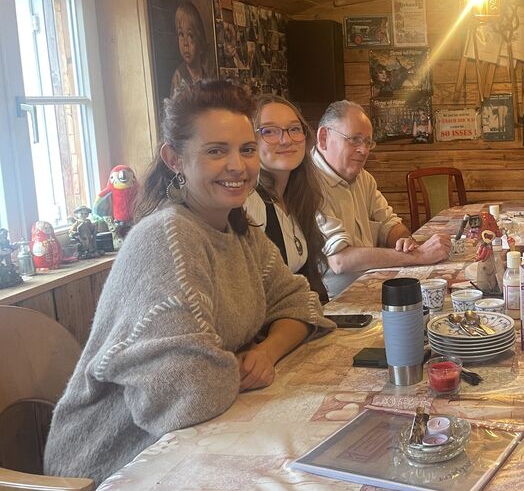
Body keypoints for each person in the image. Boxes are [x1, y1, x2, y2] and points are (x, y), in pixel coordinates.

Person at [44, 81, 334, 484]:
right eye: (217, 151)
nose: (238, 165)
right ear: (174, 158)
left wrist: (266, 352)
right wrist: (231, 365)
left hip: (198, 437)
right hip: (115, 463)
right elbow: (189, 392)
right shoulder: (167, 238)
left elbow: (300, 302)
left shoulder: (239, 231)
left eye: (247, 150)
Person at [312, 100, 450, 295]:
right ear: (324, 137)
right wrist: (418, 256)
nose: (364, 150)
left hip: (372, 284)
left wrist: (405, 242)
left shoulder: (363, 178)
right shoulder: (309, 183)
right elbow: (341, 260)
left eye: (368, 142)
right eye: (354, 139)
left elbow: (389, 224)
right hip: (337, 303)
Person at [243, 95, 329, 302]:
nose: (286, 139)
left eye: (294, 129)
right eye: (269, 131)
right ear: (249, 142)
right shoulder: (250, 202)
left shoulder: (299, 197)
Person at [170, 2, 212, 97]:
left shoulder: (206, 74)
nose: (185, 43)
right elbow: (174, 109)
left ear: (200, 43)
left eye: (190, 35)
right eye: (181, 34)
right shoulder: (179, 76)